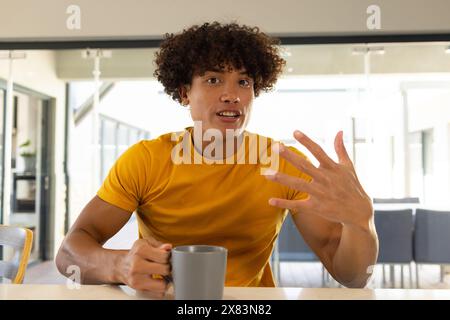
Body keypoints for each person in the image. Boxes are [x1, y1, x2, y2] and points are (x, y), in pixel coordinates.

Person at [56, 22, 378, 296]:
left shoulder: (283, 163)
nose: (232, 94)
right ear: (184, 92)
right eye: (213, 80)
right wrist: (119, 265)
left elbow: (351, 275)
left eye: (244, 81)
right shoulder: (145, 160)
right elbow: (70, 253)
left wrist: (360, 224)